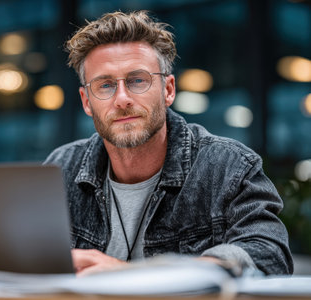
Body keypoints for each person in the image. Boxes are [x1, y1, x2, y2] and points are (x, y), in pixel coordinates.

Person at [44, 10, 293, 277]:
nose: (122, 99)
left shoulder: (228, 167)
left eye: (138, 80)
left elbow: (269, 254)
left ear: (168, 90)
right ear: (85, 101)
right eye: (105, 85)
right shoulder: (60, 169)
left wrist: (135, 276)